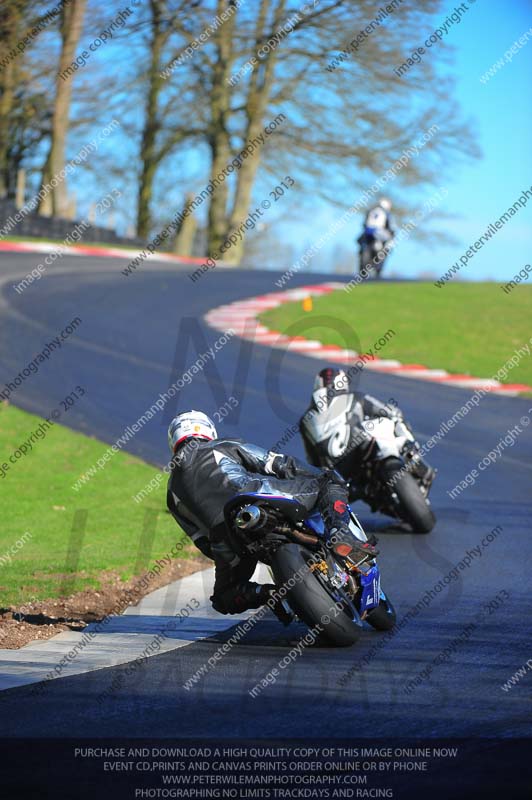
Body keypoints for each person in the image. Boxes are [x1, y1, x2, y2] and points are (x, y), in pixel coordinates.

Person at [166, 410, 377, 617]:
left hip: (227, 538)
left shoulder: (171, 492)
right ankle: (340, 533)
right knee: (329, 482)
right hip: (258, 496)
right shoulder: (221, 445)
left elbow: (200, 540)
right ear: (207, 430)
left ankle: (270, 594)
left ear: (174, 440)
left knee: (223, 599)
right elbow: (276, 463)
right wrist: (319, 474)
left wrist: (227, 554)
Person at [299, 368, 434, 485]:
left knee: (390, 421)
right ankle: (411, 448)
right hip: (352, 462)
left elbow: (312, 460)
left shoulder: (306, 419)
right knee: (393, 418)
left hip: (341, 473)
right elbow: (390, 412)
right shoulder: (356, 398)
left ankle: (409, 449)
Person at [357, 197, 395, 277]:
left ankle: (375, 266)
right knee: (388, 246)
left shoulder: (371, 210)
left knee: (386, 246)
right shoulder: (386, 214)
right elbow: (391, 227)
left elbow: (364, 223)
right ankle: (378, 267)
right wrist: (391, 235)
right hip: (375, 235)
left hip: (369, 234)